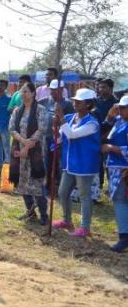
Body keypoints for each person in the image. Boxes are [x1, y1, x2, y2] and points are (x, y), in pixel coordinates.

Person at [53, 88, 101, 237]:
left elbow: (72, 135)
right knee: (62, 192)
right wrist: (55, 128)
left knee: (84, 195)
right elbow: (61, 137)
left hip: (84, 164)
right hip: (69, 163)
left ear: (88, 104)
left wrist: (61, 119)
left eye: (79, 101)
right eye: (75, 101)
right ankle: (67, 220)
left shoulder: (92, 124)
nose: (75, 103)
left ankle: (85, 227)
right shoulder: (69, 118)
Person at [9, 82, 50, 225]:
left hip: (35, 152)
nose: (23, 94)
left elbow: (42, 129)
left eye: (26, 91)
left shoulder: (40, 109)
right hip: (19, 152)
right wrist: (22, 141)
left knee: (36, 184)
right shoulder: (17, 111)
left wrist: (27, 146)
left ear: (33, 93)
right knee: (22, 183)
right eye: (22, 92)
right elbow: (12, 129)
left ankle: (44, 215)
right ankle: (30, 211)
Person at [101, 96, 128, 252]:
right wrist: (109, 117)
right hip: (115, 167)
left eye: (124, 108)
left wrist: (111, 148)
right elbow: (103, 133)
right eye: (120, 107)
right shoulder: (118, 121)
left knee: (120, 200)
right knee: (120, 200)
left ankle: (124, 237)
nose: (121, 110)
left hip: (124, 169)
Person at [38, 79, 74, 192]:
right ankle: (47, 186)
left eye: (56, 90)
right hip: (46, 136)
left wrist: (60, 120)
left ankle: (59, 187)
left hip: (60, 138)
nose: (54, 92)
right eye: (52, 90)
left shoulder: (67, 104)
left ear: (62, 90)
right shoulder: (43, 102)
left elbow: (71, 121)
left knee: (59, 162)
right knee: (46, 162)